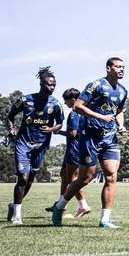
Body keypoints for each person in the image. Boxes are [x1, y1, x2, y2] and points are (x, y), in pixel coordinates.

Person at [52, 57, 128, 228]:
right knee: (85, 178)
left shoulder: (123, 90)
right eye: (118, 66)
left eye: (123, 67)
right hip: (90, 138)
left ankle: (105, 220)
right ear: (108, 68)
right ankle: (59, 206)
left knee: (111, 176)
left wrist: (121, 125)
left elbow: (119, 111)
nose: (122, 69)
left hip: (110, 138)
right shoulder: (96, 85)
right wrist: (100, 117)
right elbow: (78, 106)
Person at [6, 66, 64, 225]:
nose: (52, 87)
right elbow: (10, 116)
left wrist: (51, 129)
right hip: (23, 144)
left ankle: (13, 205)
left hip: (41, 146)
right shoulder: (25, 100)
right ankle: (17, 216)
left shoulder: (55, 104)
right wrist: (11, 129)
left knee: (30, 179)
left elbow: (60, 123)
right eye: (49, 84)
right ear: (41, 84)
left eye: (54, 85)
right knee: (23, 178)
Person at [45, 88, 91, 217]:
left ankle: (83, 206)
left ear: (73, 100)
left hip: (75, 149)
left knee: (72, 180)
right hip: (76, 148)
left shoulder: (74, 113)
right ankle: (60, 202)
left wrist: (58, 131)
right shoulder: (85, 111)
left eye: (66, 101)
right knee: (64, 175)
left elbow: (73, 133)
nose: (65, 103)